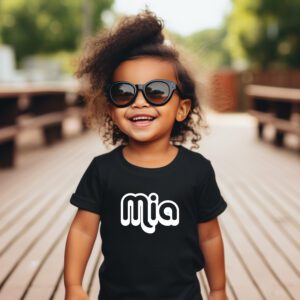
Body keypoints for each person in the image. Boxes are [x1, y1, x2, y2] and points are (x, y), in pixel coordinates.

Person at [64, 9, 228, 300]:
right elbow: (83, 231)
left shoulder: (197, 171)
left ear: (181, 108)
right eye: (124, 93)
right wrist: (74, 286)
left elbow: (210, 235)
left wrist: (217, 289)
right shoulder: (103, 171)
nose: (139, 102)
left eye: (156, 92)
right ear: (112, 111)